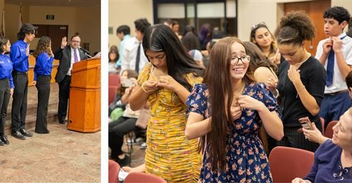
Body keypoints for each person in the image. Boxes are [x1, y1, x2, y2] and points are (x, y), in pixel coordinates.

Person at [184, 37, 283, 182]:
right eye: (233, 58)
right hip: (217, 164)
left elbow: (278, 134)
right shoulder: (205, 92)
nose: (240, 62)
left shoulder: (258, 91)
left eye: (243, 57)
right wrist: (222, 117)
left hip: (252, 164)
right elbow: (190, 132)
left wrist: (260, 107)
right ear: (219, 62)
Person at [127, 24, 204, 182]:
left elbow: (200, 108)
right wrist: (145, 89)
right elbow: (134, 106)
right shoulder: (149, 70)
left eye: (160, 57)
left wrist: (175, 85)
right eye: (150, 57)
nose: (155, 62)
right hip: (155, 147)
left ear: (171, 50)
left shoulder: (190, 72)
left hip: (183, 150)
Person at [270, 11, 326, 152]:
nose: (287, 58)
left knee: (303, 171)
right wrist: (274, 89)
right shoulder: (286, 62)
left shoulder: (315, 68)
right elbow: (285, 96)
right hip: (284, 126)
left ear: (302, 45)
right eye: (283, 54)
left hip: (303, 130)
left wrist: (297, 82)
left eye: (291, 53)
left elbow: (314, 108)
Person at [292, 106, 352, 183]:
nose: (334, 128)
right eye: (338, 121)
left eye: (341, 129)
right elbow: (312, 177)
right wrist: (304, 181)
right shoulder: (326, 148)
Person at [316, 6, 352, 122]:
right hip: (323, 95)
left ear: (343, 24)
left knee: (339, 131)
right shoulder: (322, 43)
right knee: (320, 130)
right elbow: (315, 73)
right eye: (325, 22)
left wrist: (338, 51)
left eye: (331, 23)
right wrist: (324, 54)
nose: (326, 26)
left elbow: (348, 76)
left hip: (342, 95)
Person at [108, 70, 140, 166]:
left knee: (117, 131)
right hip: (126, 114)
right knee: (109, 128)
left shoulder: (140, 87)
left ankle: (117, 156)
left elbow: (145, 105)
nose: (123, 77)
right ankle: (119, 154)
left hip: (137, 117)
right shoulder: (126, 88)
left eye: (126, 76)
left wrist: (137, 85)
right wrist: (128, 91)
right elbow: (123, 102)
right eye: (122, 75)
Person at [56, 34, 90, 124]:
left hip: (77, 78)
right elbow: (56, 56)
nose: (76, 43)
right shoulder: (65, 49)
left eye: (78, 41)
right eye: (74, 41)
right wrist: (61, 47)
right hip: (66, 77)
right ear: (71, 42)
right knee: (63, 99)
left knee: (75, 99)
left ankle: (72, 116)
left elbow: (87, 62)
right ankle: (62, 117)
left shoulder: (82, 52)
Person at [10, 23, 36, 140]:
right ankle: (15, 128)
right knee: (18, 102)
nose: (34, 36)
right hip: (18, 75)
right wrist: (25, 56)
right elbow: (14, 64)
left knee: (24, 103)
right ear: (26, 33)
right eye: (32, 33)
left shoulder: (27, 45)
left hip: (25, 75)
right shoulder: (16, 46)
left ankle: (22, 126)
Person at [32, 36, 53, 134]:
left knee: (42, 104)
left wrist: (35, 79)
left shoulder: (40, 54)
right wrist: (52, 58)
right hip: (44, 79)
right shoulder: (44, 55)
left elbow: (36, 69)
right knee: (43, 105)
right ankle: (41, 128)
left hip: (41, 79)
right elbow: (46, 68)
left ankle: (41, 127)